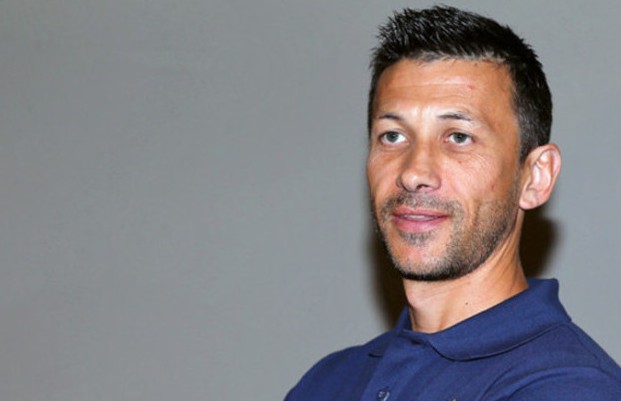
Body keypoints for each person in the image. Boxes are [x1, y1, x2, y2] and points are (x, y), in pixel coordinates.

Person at [285, 6, 621, 401]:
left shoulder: (572, 386)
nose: (414, 172)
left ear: (536, 177)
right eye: (393, 136)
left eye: (458, 137)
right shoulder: (326, 382)